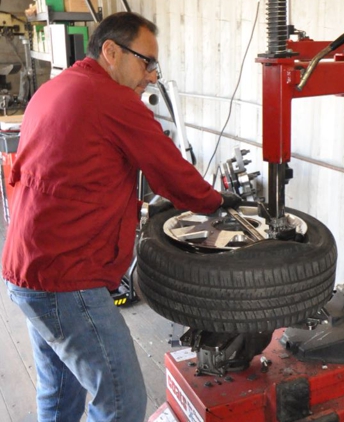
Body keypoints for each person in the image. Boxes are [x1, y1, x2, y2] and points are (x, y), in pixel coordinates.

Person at [2, 12, 240, 422]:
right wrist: (218, 202)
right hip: (66, 278)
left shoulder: (55, 88)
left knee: (58, 397)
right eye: (146, 61)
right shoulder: (111, 100)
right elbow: (172, 174)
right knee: (122, 401)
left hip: (27, 269)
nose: (151, 75)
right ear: (111, 51)